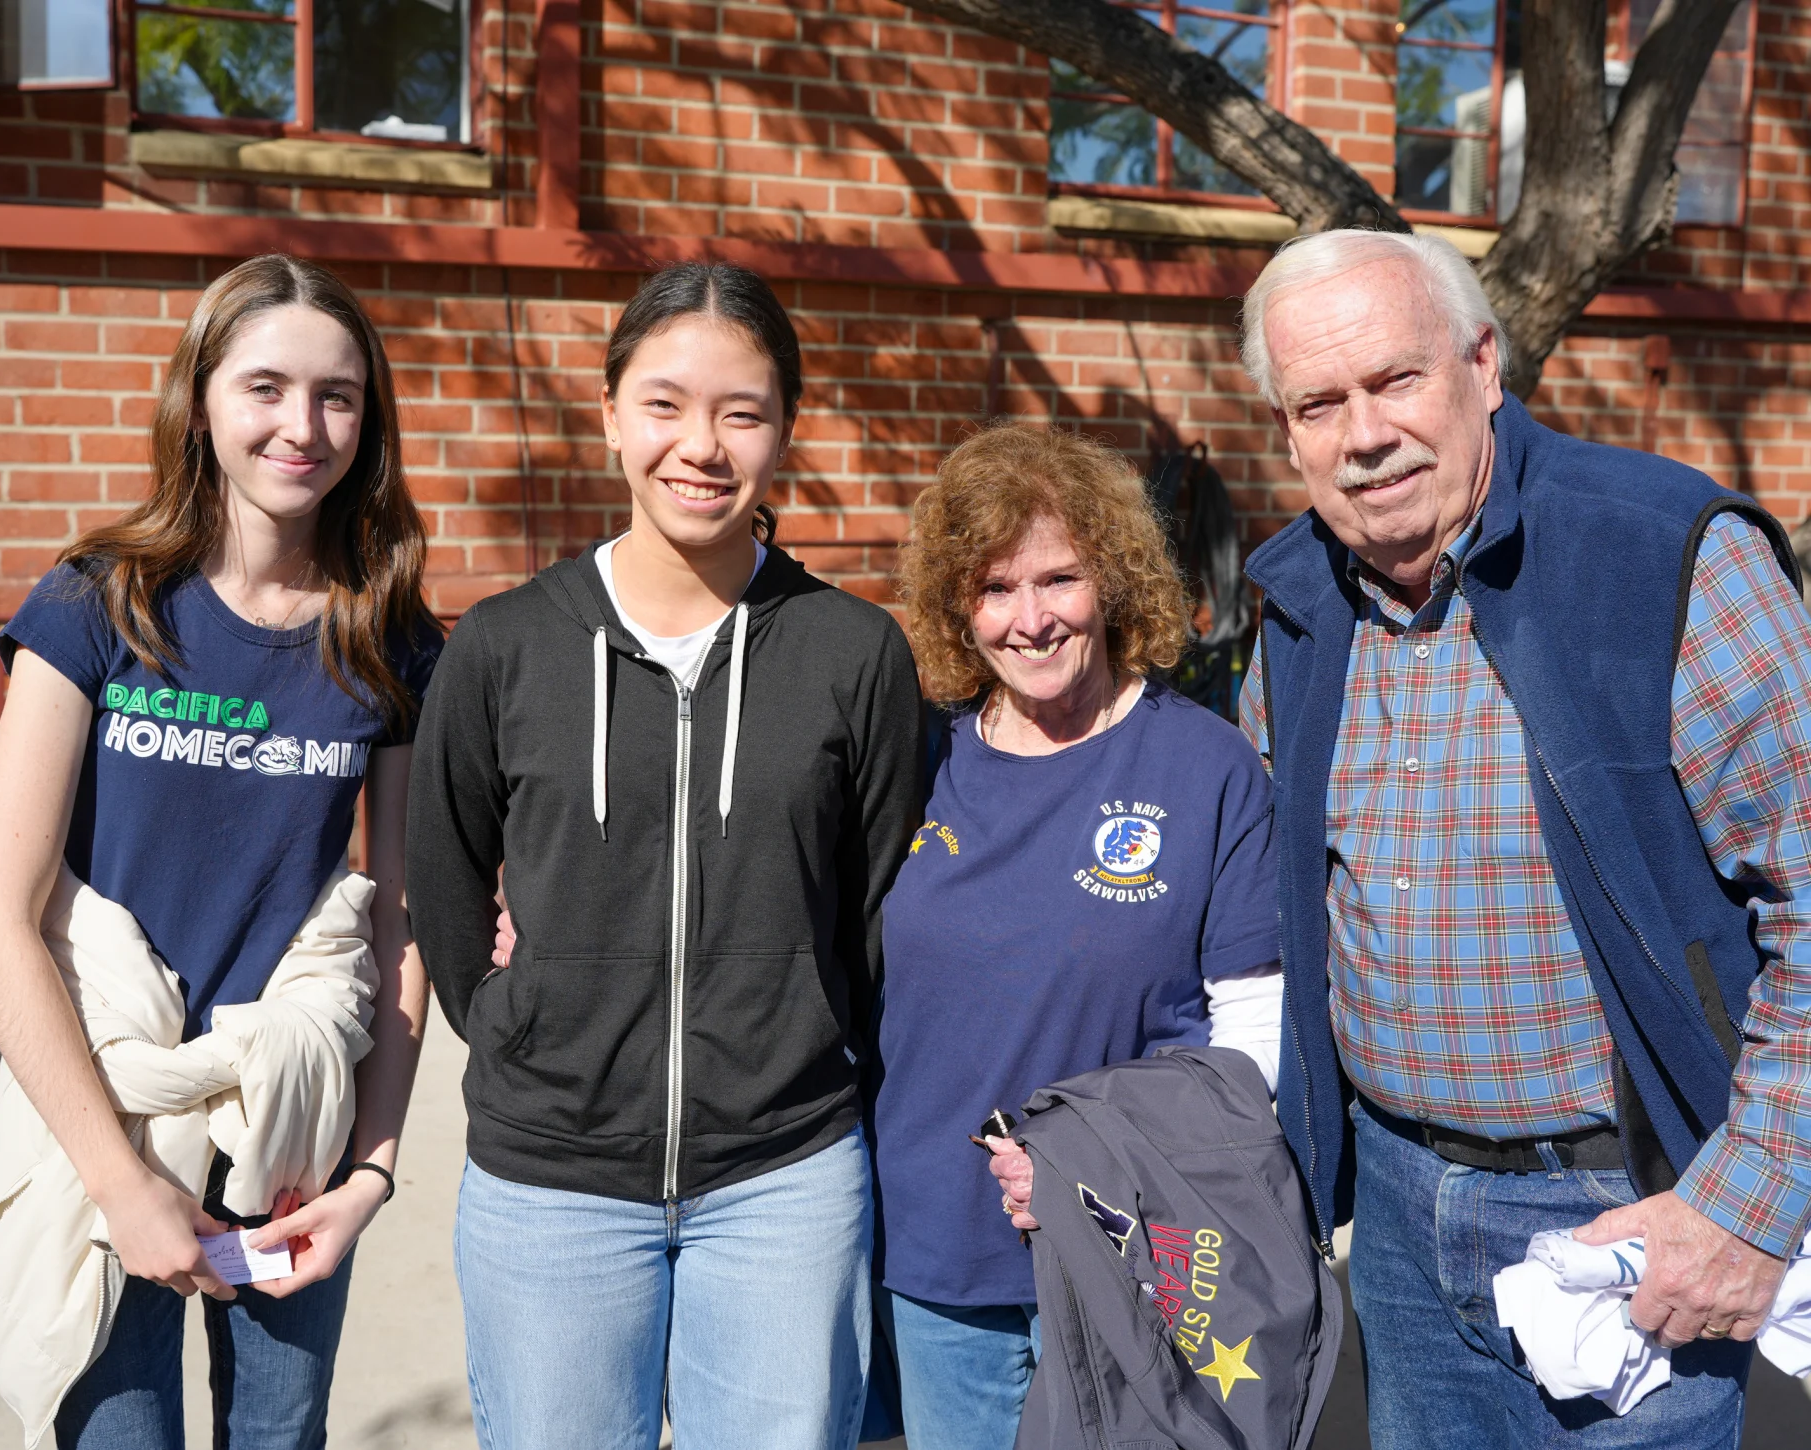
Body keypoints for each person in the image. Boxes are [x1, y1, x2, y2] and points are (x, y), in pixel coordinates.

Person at [1236, 228, 1811, 1449]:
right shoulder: (1295, 610)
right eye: (1319, 403)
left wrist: (1751, 1212)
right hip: (1391, 1217)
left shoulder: (1664, 557)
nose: (1364, 433)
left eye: (1395, 380)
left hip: (1629, 1215)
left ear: (1484, 365)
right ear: (1288, 432)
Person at [406, 262, 922, 1450]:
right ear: (609, 416)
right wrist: (510, 1020)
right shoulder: (502, 647)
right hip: (552, 1183)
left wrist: (824, 1050)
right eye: (665, 404)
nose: (702, 444)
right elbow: (439, 877)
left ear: (785, 430)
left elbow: (883, 904)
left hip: (783, 1178)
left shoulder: (852, 654)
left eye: (742, 412)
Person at [0, 253, 441, 1449]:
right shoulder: (97, 604)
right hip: (108, 1125)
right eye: (266, 386)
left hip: (289, 1137)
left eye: (338, 394)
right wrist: (123, 1188)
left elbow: (404, 921)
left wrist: (367, 1176)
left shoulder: (388, 640)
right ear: (203, 400)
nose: (303, 424)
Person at [870, 422, 1285, 1450]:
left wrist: (1099, 1164)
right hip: (943, 1258)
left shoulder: (1206, 766)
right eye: (995, 588)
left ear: (1115, 578)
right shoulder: (915, 760)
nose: (1031, 619)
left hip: (1139, 1251)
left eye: (1059, 579)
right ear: (955, 608)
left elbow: (1253, 1042)